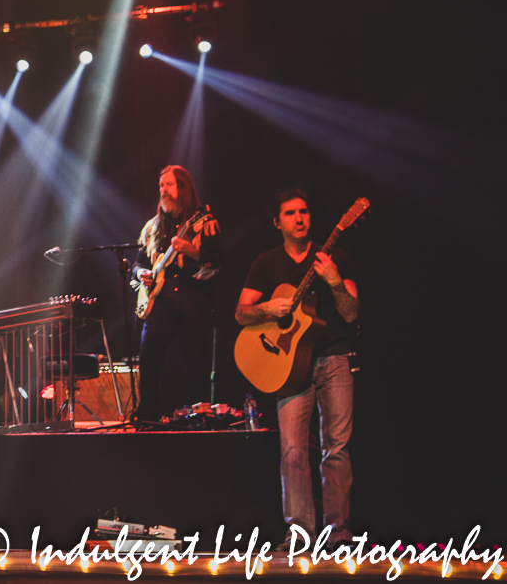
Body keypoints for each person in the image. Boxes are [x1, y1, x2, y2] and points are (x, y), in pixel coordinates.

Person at [236, 189, 358, 544]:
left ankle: (339, 531)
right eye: (290, 213)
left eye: (304, 211)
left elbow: (351, 312)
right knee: (292, 449)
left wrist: (334, 281)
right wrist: (268, 309)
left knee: (337, 447)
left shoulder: (335, 257)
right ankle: (301, 532)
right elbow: (241, 313)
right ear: (278, 222)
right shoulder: (266, 263)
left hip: (334, 356)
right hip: (288, 365)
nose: (299, 218)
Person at [131, 165, 221, 422]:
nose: (164, 191)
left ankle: (199, 419)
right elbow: (138, 262)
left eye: (169, 185)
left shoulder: (203, 221)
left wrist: (191, 250)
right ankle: (147, 418)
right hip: (160, 303)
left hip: (195, 302)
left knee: (197, 364)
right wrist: (140, 275)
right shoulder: (153, 227)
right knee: (148, 364)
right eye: (161, 186)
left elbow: (217, 259)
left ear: (183, 188)